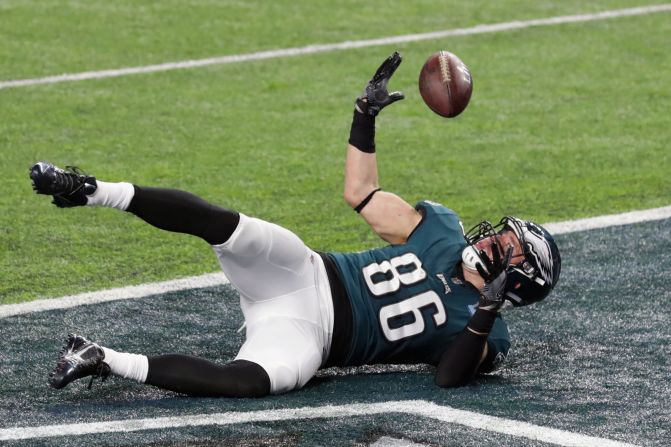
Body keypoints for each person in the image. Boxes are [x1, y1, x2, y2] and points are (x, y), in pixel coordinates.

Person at [30, 52, 561, 397]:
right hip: (302, 273)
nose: (496, 238)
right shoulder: (442, 230)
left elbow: (450, 375)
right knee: (223, 224)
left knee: (247, 383)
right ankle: (89, 190)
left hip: (314, 337)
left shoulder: (488, 332)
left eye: (511, 246)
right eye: (505, 232)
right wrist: (364, 116)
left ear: (521, 279)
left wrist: (486, 308)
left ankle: (99, 357)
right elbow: (362, 194)